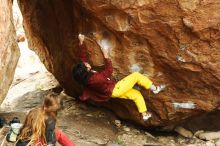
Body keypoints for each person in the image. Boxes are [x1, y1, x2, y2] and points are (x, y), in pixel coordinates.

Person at [72, 34, 165, 121]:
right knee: (136, 76)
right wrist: (106, 55)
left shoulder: (84, 77)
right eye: (86, 65)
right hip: (115, 89)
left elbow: (83, 58)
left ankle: (144, 114)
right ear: (86, 70)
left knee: (136, 94)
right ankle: (155, 88)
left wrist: (81, 42)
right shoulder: (95, 79)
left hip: (111, 93)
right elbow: (109, 71)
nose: (87, 64)